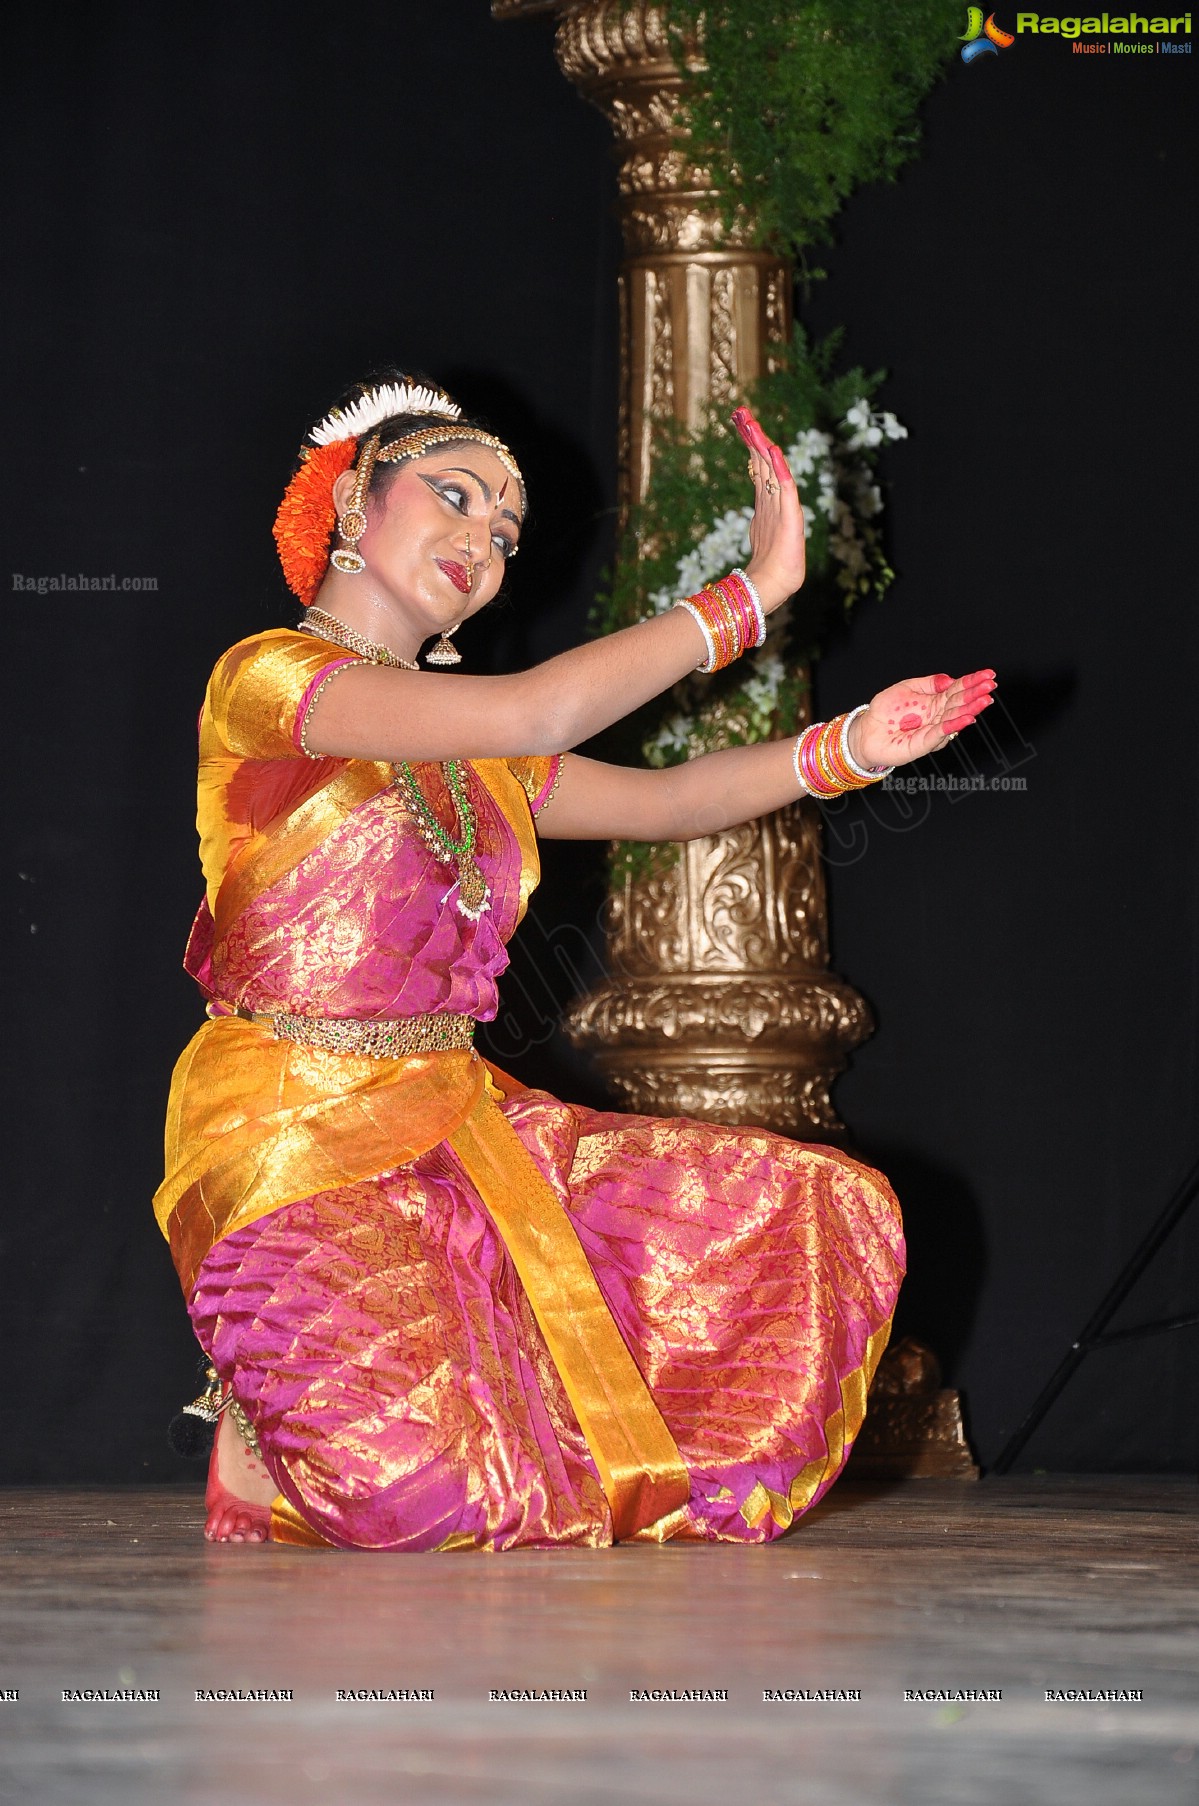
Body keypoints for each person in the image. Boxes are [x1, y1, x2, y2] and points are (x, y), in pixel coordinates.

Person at [154, 375, 995, 1549]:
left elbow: (667, 801)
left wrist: (849, 748)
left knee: (816, 1209)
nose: (482, 540)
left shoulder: (472, 751)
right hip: (287, 1130)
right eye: (452, 496)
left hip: (454, 1126)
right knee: (435, 1506)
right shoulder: (272, 680)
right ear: (353, 505)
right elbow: (537, 713)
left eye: (503, 532)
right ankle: (267, 1434)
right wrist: (745, 598)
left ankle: (313, 1418)